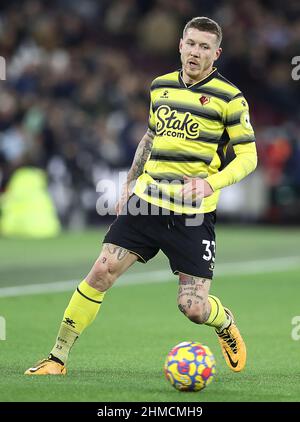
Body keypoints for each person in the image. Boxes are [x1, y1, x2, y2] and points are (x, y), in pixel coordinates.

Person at [25, 17, 257, 376]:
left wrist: (213, 183)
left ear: (217, 53)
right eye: (191, 44)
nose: (195, 52)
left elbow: (249, 156)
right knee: (101, 271)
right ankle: (57, 358)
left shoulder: (230, 98)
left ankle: (223, 320)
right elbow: (150, 139)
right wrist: (129, 184)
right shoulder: (160, 87)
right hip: (146, 202)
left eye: (204, 47)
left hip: (192, 214)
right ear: (180, 45)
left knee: (193, 308)